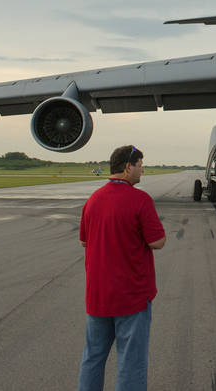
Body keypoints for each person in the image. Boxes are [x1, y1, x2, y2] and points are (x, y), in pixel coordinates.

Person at [78, 145, 166, 391]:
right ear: (128, 167)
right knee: (131, 362)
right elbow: (157, 242)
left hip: (97, 296)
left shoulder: (93, 200)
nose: (142, 171)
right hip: (131, 297)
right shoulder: (140, 199)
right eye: (139, 165)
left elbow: (84, 240)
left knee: (93, 357)